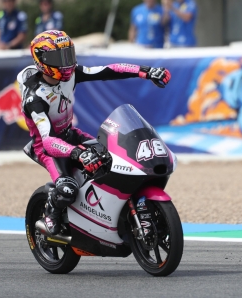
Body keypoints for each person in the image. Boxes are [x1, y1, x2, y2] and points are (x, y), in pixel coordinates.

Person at [18, 30, 171, 234]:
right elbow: (47, 140)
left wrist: (146, 71)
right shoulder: (35, 98)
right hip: (48, 149)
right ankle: (50, 216)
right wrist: (78, 153)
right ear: (42, 61)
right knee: (67, 189)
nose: (66, 63)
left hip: (70, 134)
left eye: (68, 55)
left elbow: (109, 70)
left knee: (115, 161)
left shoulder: (71, 75)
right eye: (59, 58)